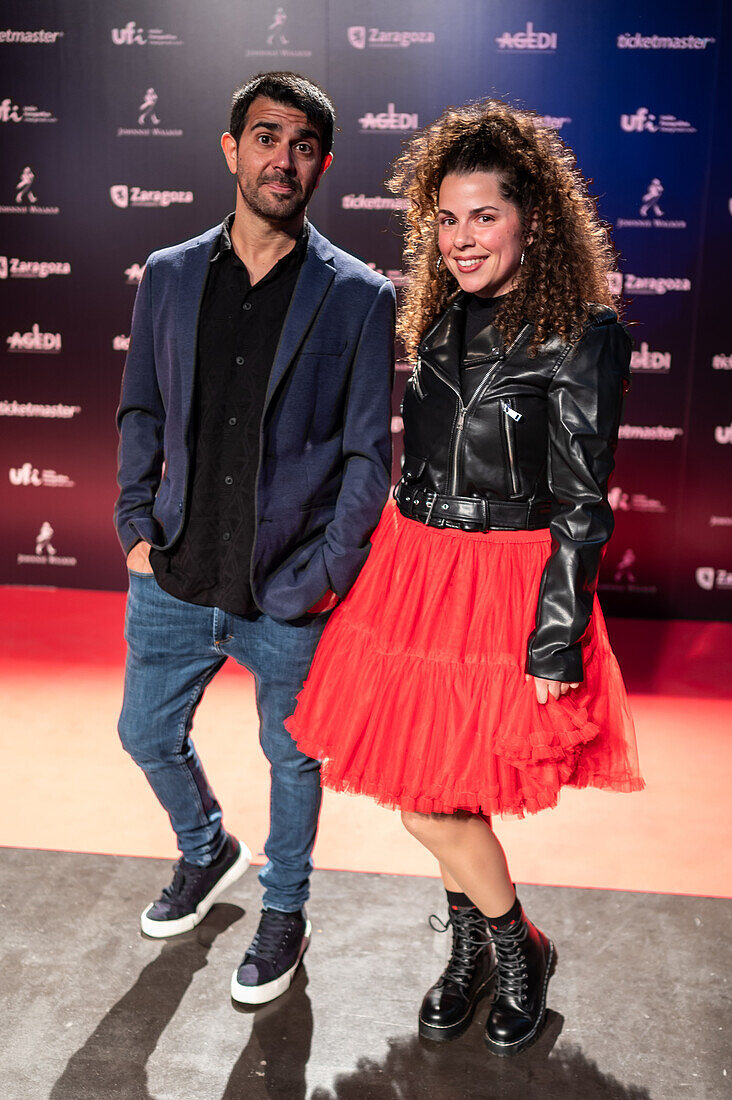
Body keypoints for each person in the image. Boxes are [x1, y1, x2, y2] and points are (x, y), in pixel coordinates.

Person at [288, 98, 644, 1054]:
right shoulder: (439, 316)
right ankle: (485, 945)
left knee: (430, 800)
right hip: (418, 568)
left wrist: (557, 633)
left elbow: (581, 501)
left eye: (483, 215)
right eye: (445, 218)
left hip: (508, 581)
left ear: (532, 217)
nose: (460, 238)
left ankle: (512, 943)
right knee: (438, 782)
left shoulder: (583, 331)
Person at [114, 71, 395, 1006]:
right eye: (267, 138)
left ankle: (285, 909)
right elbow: (142, 410)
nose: (286, 158)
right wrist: (133, 529)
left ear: (320, 164)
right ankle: (206, 850)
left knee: (294, 759)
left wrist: (322, 575)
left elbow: (367, 458)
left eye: (305, 144)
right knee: (145, 733)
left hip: (289, 590)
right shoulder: (169, 273)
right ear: (231, 149)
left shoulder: (358, 295)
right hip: (176, 571)